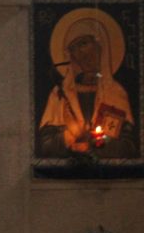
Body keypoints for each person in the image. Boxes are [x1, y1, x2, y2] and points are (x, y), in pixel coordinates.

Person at [38, 16, 136, 158]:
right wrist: (68, 138)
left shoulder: (115, 92)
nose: (80, 52)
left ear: (100, 45)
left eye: (84, 43)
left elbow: (129, 147)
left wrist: (98, 143)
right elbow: (45, 146)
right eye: (74, 48)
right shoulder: (60, 94)